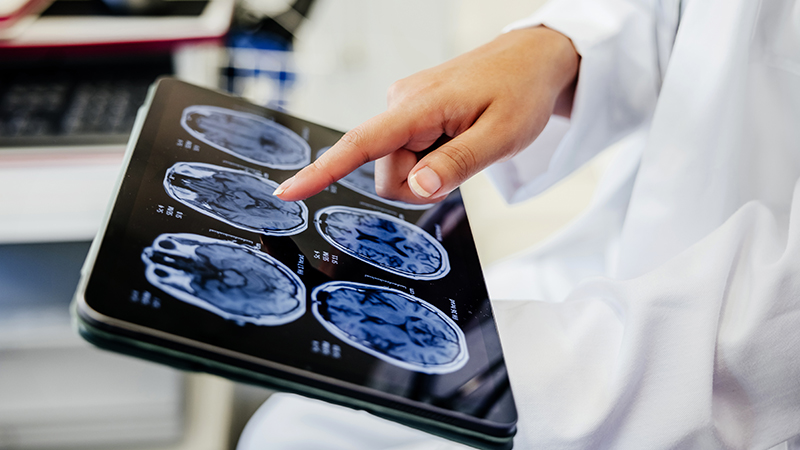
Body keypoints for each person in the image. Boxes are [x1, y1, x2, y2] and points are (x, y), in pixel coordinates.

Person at [244, 0, 800, 448]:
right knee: (295, 424)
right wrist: (558, 47)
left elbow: (767, 341)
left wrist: (447, 347)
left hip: (717, 355)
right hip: (635, 251)